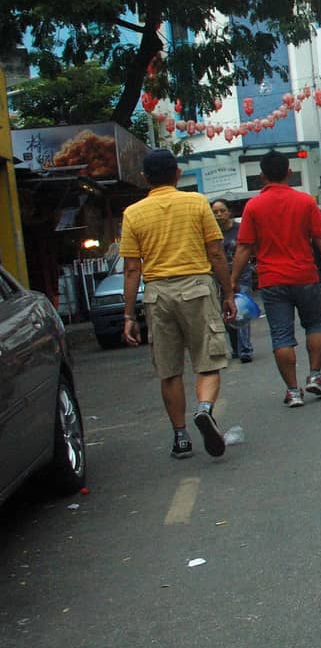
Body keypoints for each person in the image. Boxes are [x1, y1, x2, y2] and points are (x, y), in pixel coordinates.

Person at [120, 150, 237, 460]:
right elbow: (215, 253)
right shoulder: (197, 203)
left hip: (157, 294)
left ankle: (181, 437)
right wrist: (228, 293)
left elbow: (132, 269)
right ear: (176, 174)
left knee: (169, 370)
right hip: (196, 288)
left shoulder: (133, 213)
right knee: (208, 361)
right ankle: (204, 409)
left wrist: (129, 314)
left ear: (144, 178)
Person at [231, 151, 321, 408]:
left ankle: (293, 391)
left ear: (261, 176)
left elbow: (244, 247)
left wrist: (233, 279)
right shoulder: (305, 202)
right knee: (315, 324)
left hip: (272, 281)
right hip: (304, 276)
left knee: (281, 335)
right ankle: (315, 375)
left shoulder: (253, 206)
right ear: (289, 172)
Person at [212, 199, 254, 364]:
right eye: (215, 212)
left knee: (242, 311)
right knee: (228, 313)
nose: (219, 214)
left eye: (222, 210)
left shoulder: (240, 230)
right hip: (220, 279)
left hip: (242, 276)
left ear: (229, 212)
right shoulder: (212, 233)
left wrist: (235, 278)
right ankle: (236, 348)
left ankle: (245, 349)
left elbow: (247, 250)